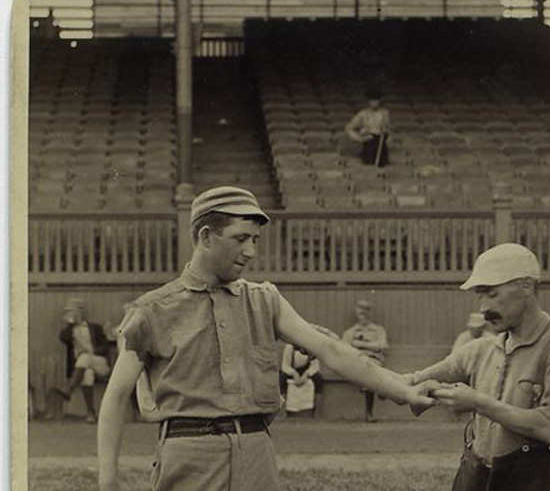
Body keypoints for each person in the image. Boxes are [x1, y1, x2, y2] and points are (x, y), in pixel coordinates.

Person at [97, 186, 437, 491]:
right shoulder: (152, 310)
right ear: (205, 237)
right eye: (241, 238)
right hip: (189, 454)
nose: (251, 251)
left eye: (255, 240)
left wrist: (403, 391)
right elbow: (115, 399)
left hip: (256, 451)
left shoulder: (265, 300)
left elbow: (330, 350)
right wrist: (108, 479)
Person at [405, 243, 550, 491]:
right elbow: (409, 381)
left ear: (526, 286)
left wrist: (477, 402)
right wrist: (339, 353)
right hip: (473, 478)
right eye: (480, 296)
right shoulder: (480, 349)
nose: (483, 308)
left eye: (491, 294)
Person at [56, 298, 111, 423]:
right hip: (84, 367)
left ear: (80, 312)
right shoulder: (70, 331)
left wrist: (93, 352)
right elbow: (63, 338)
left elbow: (105, 347)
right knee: (87, 374)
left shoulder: (95, 328)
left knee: (85, 357)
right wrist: (70, 324)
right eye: (69, 312)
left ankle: (69, 390)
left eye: (73, 311)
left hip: (100, 363)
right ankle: (91, 413)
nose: (72, 314)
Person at [342, 299, 389, 422]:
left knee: (371, 368)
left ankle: (376, 391)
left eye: (366, 311)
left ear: (369, 313)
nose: (363, 314)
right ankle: (381, 388)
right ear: (356, 313)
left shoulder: (378, 330)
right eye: (360, 311)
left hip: (375, 361)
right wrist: (372, 346)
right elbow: (343, 350)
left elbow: (383, 346)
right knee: (367, 368)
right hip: (358, 362)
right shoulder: (350, 332)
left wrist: (358, 344)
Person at [345, 89, 391, 167]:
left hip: (381, 144)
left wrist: (386, 132)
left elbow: (388, 129)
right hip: (369, 142)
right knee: (368, 164)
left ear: (380, 101)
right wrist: (360, 138)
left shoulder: (385, 113)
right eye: (372, 100)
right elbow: (349, 128)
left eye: (376, 100)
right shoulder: (363, 114)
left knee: (383, 165)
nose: (374, 103)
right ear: (368, 101)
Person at [279, 342, 323, 417]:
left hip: (306, 371)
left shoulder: (311, 347)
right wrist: (294, 374)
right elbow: (285, 365)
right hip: (292, 371)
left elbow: (315, 366)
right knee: (282, 378)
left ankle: (317, 412)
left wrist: (306, 374)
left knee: (318, 378)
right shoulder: (289, 348)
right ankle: (281, 411)